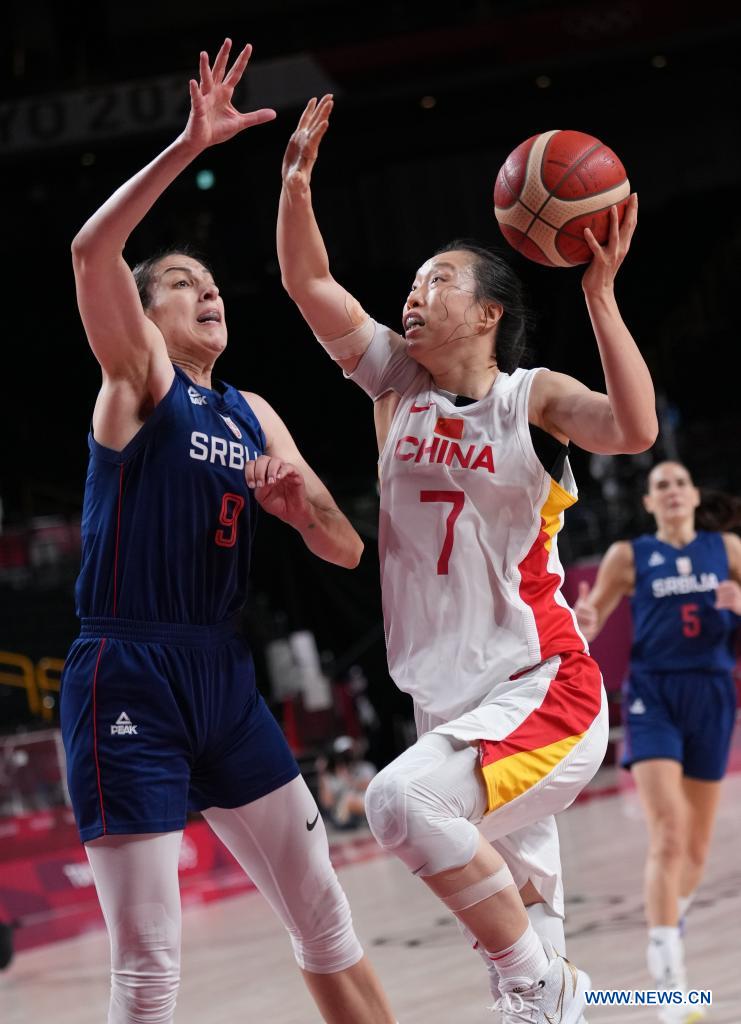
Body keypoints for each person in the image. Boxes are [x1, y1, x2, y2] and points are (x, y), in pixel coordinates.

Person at [276, 95, 658, 1023]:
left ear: (487, 313)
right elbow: (308, 281)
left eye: (437, 281)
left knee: (400, 807)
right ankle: (545, 991)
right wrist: (294, 186)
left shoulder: (530, 398)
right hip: (444, 702)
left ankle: (546, 983)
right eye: (411, 281)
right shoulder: (394, 385)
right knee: (521, 952)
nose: (413, 294)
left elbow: (633, 427)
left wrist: (600, 297)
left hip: (540, 688)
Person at [60, 44, 397, 1024]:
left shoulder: (253, 412)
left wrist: (300, 509)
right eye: (181, 281)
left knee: (325, 915)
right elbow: (89, 253)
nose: (206, 290)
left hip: (220, 674)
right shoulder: (139, 382)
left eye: (211, 281)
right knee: (149, 967)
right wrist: (186, 146)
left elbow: (345, 548)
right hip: (127, 669)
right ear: (144, 314)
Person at [574, 462, 741, 1023]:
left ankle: (668, 918)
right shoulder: (630, 555)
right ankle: (669, 977)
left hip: (712, 694)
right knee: (668, 831)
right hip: (653, 697)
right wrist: (586, 620)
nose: (671, 492)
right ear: (648, 503)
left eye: (679, 483)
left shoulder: (728, 550)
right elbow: (593, 617)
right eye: (660, 486)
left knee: (695, 848)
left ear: (694, 495)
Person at [317, 736, 377, 830]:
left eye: (350, 753)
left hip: (367, 810)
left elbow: (374, 788)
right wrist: (322, 774)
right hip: (343, 818)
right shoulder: (330, 777)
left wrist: (349, 779)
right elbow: (327, 803)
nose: (348, 757)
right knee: (349, 799)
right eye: (344, 755)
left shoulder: (366, 767)